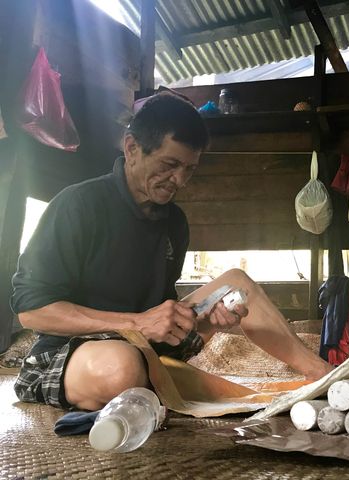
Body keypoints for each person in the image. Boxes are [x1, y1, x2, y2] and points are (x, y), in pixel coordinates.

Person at [11, 92, 332, 411]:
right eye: (169, 164)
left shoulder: (174, 222)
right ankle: (174, 383)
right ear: (132, 148)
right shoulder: (78, 205)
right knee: (120, 369)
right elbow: (32, 310)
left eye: (189, 169)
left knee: (237, 284)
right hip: (72, 353)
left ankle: (325, 378)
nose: (179, 179)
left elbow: (160, 312)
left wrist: (205, 318)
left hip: (146, 346)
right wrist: (136, 323)